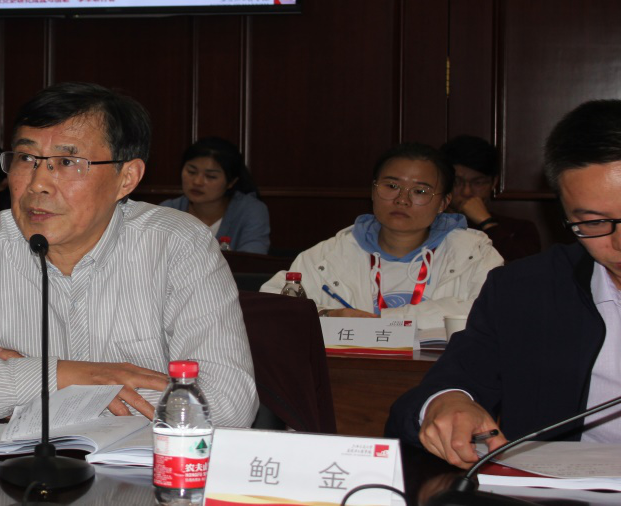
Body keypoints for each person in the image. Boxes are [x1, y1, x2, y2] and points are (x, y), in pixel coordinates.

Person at [0, 82, 257, 424]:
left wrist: (19, 390)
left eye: (67, 162)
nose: (38, 183)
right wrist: (55, 376)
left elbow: (227, 405)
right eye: (26, 159)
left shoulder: (178, 245)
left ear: (126, 178)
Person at [388, 100, 621, 466]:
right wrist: (446, 403)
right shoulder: (525, 289)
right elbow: (437, 393)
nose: (619, 242)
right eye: (593, 222)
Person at [260, 143, 503, 329]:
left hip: (442, 374)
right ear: (373, 191)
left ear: (443, 203)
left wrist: (383, 321)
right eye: (392, 186)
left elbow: (490, 312)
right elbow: (270, 307)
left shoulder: (474, 254)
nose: (402, 199)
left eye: (420, 191)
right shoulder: (328, 255)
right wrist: (327, 315)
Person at [159, 137, 270, 254]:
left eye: (211, 176)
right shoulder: (168, 210)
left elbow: (252, 259)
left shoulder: (250, 211)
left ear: (231, 182)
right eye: (191, 172)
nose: (197, 182)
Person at [440, 134, 541, 262]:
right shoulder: (428, 225)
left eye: (478, 183)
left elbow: (525, 268)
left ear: (494, 183)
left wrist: (487, 223)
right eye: (457, 182)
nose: (466, 192)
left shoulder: (520, 229)